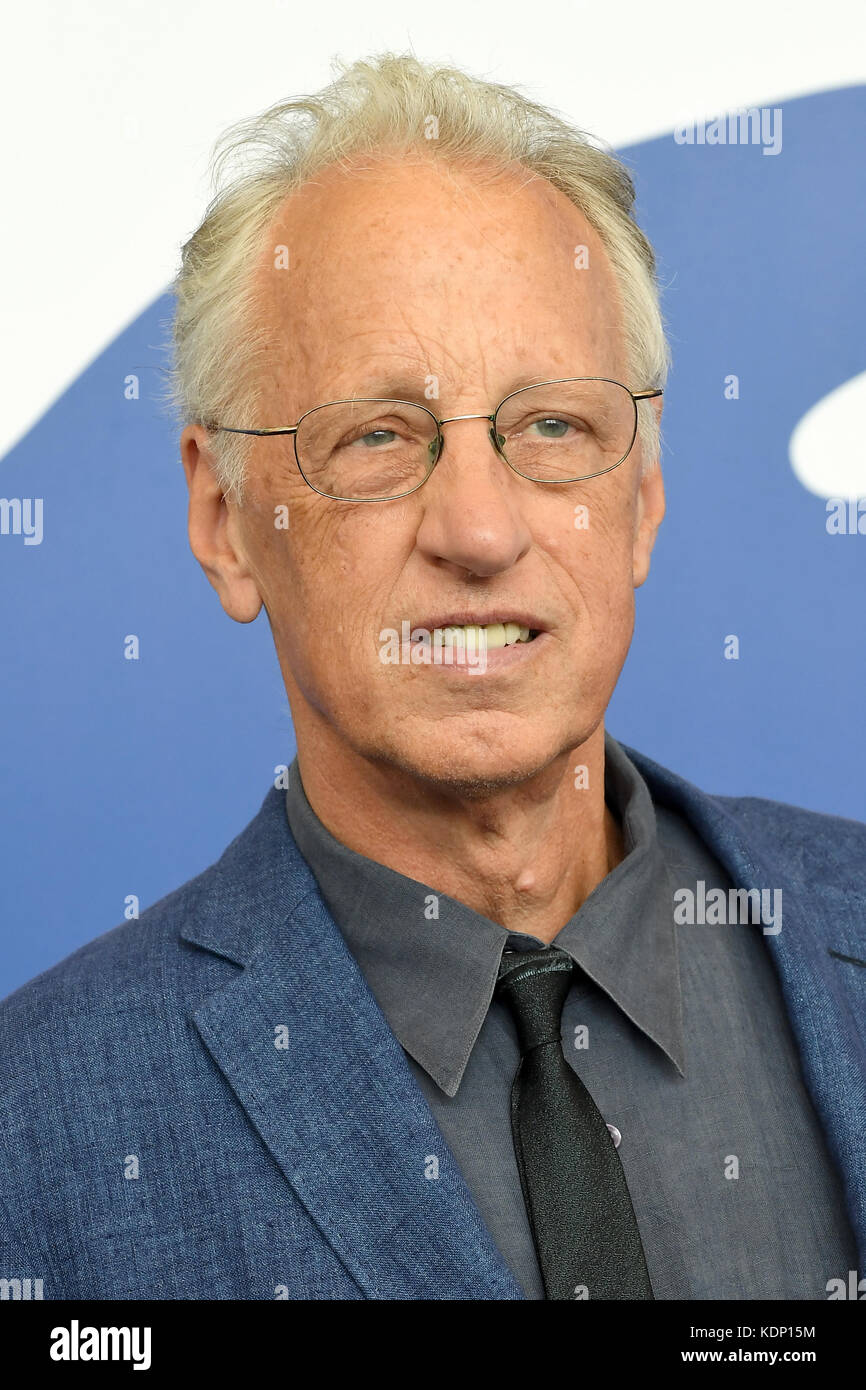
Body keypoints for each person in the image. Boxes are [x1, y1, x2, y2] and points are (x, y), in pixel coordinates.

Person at [1, 53, 863, 1301]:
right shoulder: (39, 1132)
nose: (477, 528)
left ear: (642, 497)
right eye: (378, 437)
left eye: (554, 426)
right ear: (223, 517)